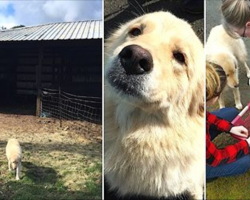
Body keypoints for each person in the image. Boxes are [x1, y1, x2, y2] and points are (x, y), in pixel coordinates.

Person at [206, 62, 250, 180]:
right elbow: (216, 158)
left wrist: (230, 128)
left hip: (203, 142)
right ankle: (207, 176)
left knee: (230, 113)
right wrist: (246, 144)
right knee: (246, 162)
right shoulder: (192, 128)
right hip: (195, 163)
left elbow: (208, 117)